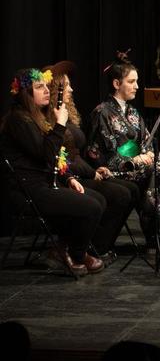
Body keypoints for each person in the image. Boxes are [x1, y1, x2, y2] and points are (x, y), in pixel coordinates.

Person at [1, 68, 110, 274]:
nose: (46, 90)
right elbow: (46, 154)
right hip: (28, 190)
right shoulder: (18, 120)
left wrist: (68, 177)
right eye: (39, 87)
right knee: (92, 207)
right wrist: (60, 124)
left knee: (99, 200)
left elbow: (56, 157)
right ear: (26, 92)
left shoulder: (37, 117)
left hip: (46, 183)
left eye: (45, 85)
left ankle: (64, 249)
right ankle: (74, 253)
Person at [85, 55, 160, 252]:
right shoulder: (102, 112)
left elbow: (146, 141)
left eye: (137, 81)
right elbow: (99, 152)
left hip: (139, 164)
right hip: (115, 167)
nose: (136, 86)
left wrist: (148, 155)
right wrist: (134, 159)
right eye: (131, 81)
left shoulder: (133, 112)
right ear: (117, 83)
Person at [43, 62, 138, 263]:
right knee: (120, 193)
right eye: (66, 85)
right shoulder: (52, 119)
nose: (71, 89)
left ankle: (100, 244)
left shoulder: (67, 113)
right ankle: (91, 246)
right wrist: (90, 171)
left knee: (132, 189)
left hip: (79, 170)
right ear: (55, 91)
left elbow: (77, 153)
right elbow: (61, 158)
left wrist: (94, 169)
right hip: (66, 176)